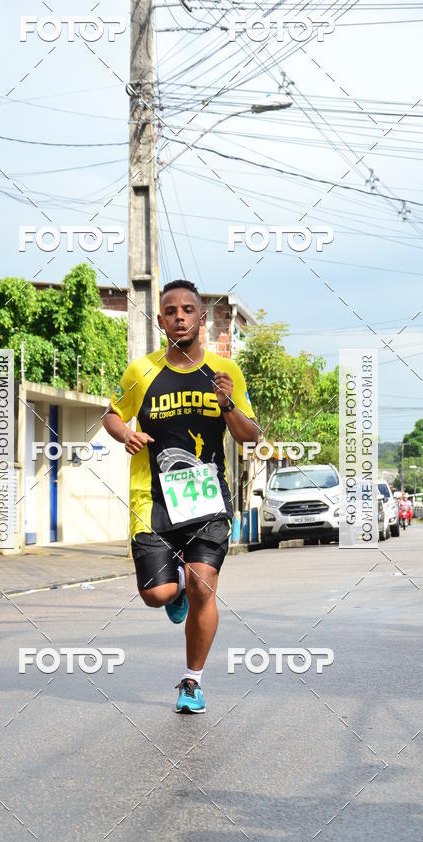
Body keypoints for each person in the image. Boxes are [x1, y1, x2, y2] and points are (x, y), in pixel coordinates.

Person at [103, 279, 259, 714]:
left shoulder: (225, 373)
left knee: (203, 584)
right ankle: (175, 595)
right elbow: (111, 415)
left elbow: (249, 436)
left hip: (206, 499)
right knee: (157, 594)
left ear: (200, 318)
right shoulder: (142, 371)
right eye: (170, 311)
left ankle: (193, 680)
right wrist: (127, 434)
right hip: (151, 498)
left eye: (188, 310)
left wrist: (227, 404)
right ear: (160, 320)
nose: (180, 317)